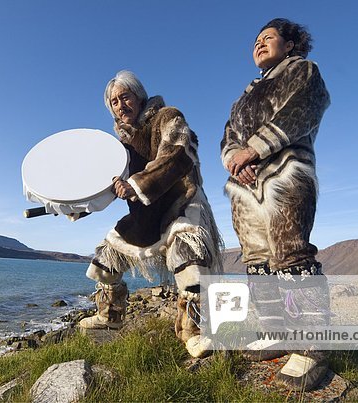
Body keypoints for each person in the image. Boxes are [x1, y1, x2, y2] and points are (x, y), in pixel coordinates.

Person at [79, 70, 223, 359]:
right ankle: (111, 317)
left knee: (188, 258)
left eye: (125, 97)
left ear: (140, 96)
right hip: (145, 212)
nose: (121, 105)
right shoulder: (120, 146)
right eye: (114, 102)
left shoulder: (169, 117)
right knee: (107, 258)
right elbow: (106, 187)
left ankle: (193, 331)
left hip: (181, 201)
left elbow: (177, 154)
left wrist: (134, 185)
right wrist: (77, 205)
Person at [220, 18, 331, 391]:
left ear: (291, 44)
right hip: (246, 187)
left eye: (268, 38)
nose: (260, 44)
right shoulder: (244, 96)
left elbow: (302, 109)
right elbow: (229, 136)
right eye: (255, 41)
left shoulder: (304, 71)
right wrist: (236, 161)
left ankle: (314, 346)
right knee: (257, 260)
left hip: (287, 175)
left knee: (291, 255)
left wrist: (255, 149)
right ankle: (275, 332)